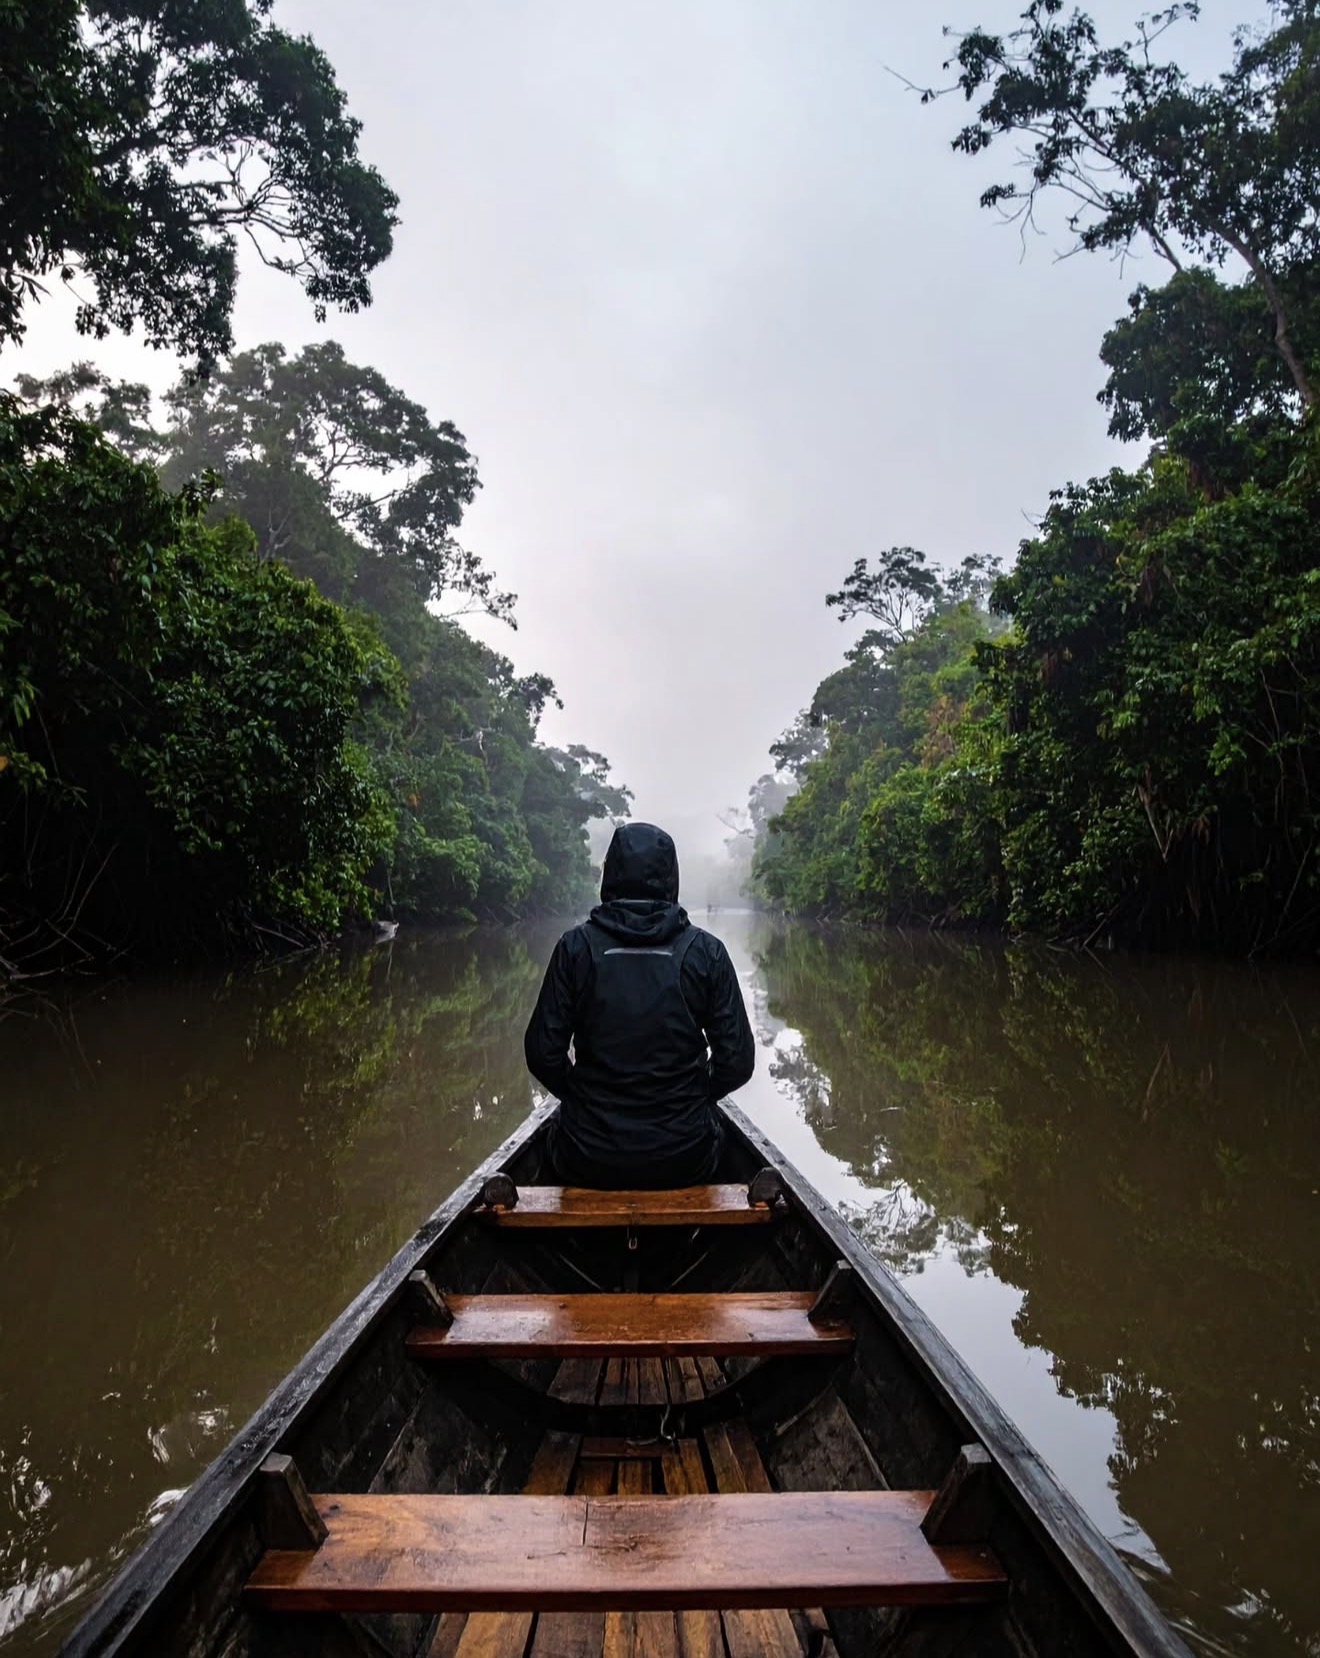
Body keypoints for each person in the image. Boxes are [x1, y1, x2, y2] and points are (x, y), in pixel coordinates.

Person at [524, 821, 755, 1188]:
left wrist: (581, 1099)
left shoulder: (574, 949)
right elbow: (738, 1062)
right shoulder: (707, 953)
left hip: (586, 1155)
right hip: (686, 1156)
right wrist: (695, 1096)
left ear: (610, 874)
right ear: (671, 877)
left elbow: (541, 1054)